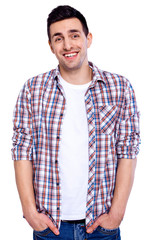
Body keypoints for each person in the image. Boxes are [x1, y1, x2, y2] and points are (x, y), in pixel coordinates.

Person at [12, 5, 140, 240]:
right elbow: (22, 150)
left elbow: (128, 149)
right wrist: (30, 212)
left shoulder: (119, 87)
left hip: (102, 225)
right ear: (51, 46)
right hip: (50, 226)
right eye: (58, 38)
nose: (68, 45)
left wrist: (117, 213)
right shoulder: (33, 90)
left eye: (74, 35)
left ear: (88, 38)